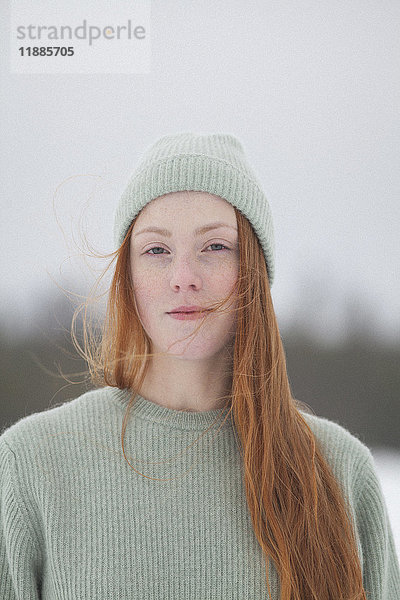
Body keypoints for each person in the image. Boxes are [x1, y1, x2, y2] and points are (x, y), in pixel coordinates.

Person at [1, 132, 399, 599]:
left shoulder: (337, 469)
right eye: (156, 250)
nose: (184, 278)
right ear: (127, 279)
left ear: (253, 271)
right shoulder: (30, 465)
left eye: (214, 247)